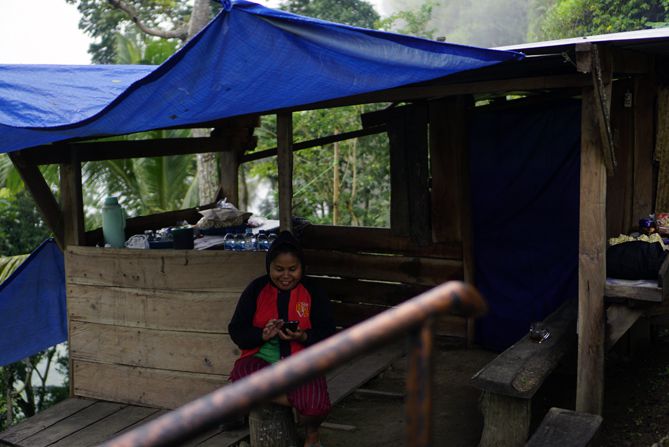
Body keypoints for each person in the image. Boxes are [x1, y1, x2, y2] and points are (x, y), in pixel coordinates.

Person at [228, 230, 336, 447]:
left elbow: (328, 333)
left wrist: (304, 335)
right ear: (269, 267)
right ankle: (297, 401)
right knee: (240, 377)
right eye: (278, 269)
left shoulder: (313, 290)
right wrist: (262, 334)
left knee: (318, 408)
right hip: (262, 360)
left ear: (302, 268)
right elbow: (237, 330)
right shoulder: (256, 289)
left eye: (292, 269)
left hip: (302, 363)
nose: (286, 276)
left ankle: (312, 436)